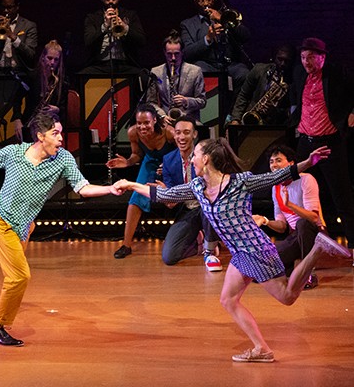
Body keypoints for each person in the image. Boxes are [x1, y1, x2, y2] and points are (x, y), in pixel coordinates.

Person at [114, 138, 351, 362]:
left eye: (195, 155)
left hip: (256, 249)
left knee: (287, 297)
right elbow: (165, 194)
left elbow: (278, 175)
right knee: (228, 300)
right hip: (239, 253)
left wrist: (308, 162)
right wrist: (131, 184)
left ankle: (317, 249)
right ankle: (262, 349)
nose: (192, 159)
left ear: (206, 158)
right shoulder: (198, 186)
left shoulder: (240, 182)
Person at [0, 113, 122, 346]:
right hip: (2, 222)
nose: (61, 139)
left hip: (25, 227)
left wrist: (109, 189)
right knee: (18, 276)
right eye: (55, 134)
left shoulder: (63, 159)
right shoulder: (14, 153)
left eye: (61, 134)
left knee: (4, 259)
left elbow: (83, 188)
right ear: (40, 136)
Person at [289, 37, 354, 260]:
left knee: (342, 196)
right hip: (306, 142)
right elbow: (295, 97)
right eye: (303, 57)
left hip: (330, 142)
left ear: (322, 57)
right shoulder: (299, 73)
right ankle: (298, 244)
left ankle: (353, 247)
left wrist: (351, 112)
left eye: (311, 58)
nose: (306, 62)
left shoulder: (336, 73)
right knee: (296, 191)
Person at [106, 103, 175, 259]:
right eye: (139, 123)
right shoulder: (133, 133)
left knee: (175, 196)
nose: (142, 127)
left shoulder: (168, 133)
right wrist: (128, 162)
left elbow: (182, 151)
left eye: (146, 123)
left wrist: (169, 165)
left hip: (171, 163)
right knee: (135, 198)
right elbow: (136, 154)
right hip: (150, 162)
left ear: (155, 121)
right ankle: (126, 244)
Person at [253, 145, 325, 289]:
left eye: (278, 160)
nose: (274, 165)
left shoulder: (306, 179)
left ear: (291, 164)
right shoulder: (276, 188)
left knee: (302, 224)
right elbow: (282, 227)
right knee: (260, 269)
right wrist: (265, 220)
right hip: (295, 237)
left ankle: (309, 274)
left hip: (315, 234)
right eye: (272, 162)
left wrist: (290, 205)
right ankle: (291, 269)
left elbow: (313, 218)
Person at [160, 116, 221, 270]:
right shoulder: (168, 160)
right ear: (173, 134)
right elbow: (171, 203)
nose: (181, 137)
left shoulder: (207, 156)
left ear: (194, 134)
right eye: (178, 132)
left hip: (207, 208)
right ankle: (199, 243)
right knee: (169, 257)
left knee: (208, 207)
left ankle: (210, 250)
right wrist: (166, 195)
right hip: (187, 211)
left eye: (186, 132)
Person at [180, 0, 250, 108]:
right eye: (201, 1)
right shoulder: (187, 24)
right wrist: (207, 38)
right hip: (207, 64)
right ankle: (210, 116)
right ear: (196, 2)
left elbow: (246, 36)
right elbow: (187, 53)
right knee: (200, 71)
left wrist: (222, 19)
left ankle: (234, 113)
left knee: (244, 73)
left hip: (230, 64)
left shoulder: (224, 16)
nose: (206, 4)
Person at [0, 0, 38, 139]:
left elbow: (30, 54)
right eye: (4, 7)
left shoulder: (29, 26)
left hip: (20, 71)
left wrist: (14, 37)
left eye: (10, 7)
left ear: (17, 7)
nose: (6, 11)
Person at [80, 0, 146, 75]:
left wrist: (125, 28)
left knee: (144, 76)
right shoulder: (92, 18)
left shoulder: (131, 15)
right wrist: (104, 26)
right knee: (82, 76)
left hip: (125, 64)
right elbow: (88, 42)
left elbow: (142, 41)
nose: (111, 1)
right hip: (100, 65)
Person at [146, 29, 207, 125]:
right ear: (164, 52)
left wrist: (186, 101)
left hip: (189, 119)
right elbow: (150, 102)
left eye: (177, 54)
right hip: (166, 120)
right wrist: (162, 116)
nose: (173, 58)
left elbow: (202, 101)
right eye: (169, 54)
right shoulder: (155, 72)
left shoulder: (195, 71)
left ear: (182, 52)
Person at [228, 44, 296, 127]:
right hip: (250, 118)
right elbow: (243, 95)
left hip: (274, 125)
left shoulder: (294, 80)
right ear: (274, 57)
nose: (282, 64)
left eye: (287, 61)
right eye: (280, 59)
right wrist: (235, 119)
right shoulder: (259, 70)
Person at [21, 40, 68, 142]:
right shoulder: (32, 77)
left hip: (51, 126)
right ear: (43, 57)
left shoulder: (61, 82)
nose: (52, 63)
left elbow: (65, 109)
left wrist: (57, 109)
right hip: (30, 124)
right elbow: (16, 99)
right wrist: (17, 120)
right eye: (49, 58)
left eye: (56, 60)